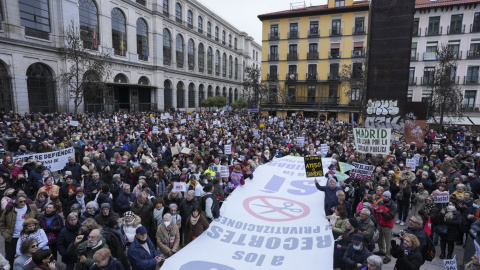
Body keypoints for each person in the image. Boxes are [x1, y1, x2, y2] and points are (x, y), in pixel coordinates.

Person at [0, 193, 41, 265]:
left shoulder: (32, 208)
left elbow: (39, 219)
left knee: (29, 257)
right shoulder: (9, 210)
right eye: (20, 201)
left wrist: (35, 230)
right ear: (16, 201)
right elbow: (2, 222)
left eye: (25, 201)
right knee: (10, 257)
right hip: (12, 238)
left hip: (28, 237)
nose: (23, 203)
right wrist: (4, 233)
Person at [373, 191, 397, 264]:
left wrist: (382, 212)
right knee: (380, 239)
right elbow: (377, 212)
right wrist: (376, 209)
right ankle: (382, 251)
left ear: (389, 197)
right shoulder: (381, 202)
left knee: (388, 241)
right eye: (384, 196)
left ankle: (388, 256)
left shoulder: (393, 205)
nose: (384, 198)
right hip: (380, 224)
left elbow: (391, 216)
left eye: (386, 197)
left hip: (387, 225)